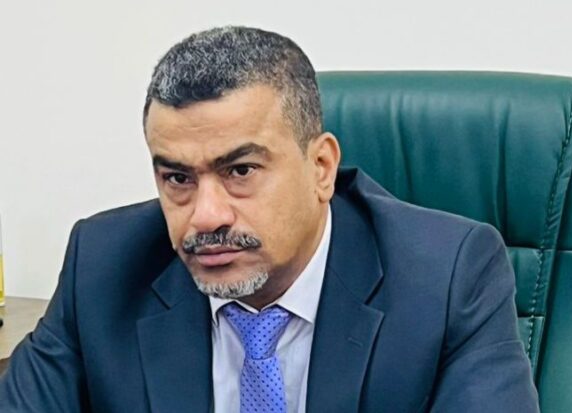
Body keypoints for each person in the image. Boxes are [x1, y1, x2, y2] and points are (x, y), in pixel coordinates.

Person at [0, 26, 539, 412]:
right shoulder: (103, 266)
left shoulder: (447, 276)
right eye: (178, 178)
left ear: (321, 168)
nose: (206, 216)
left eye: (240, 171)